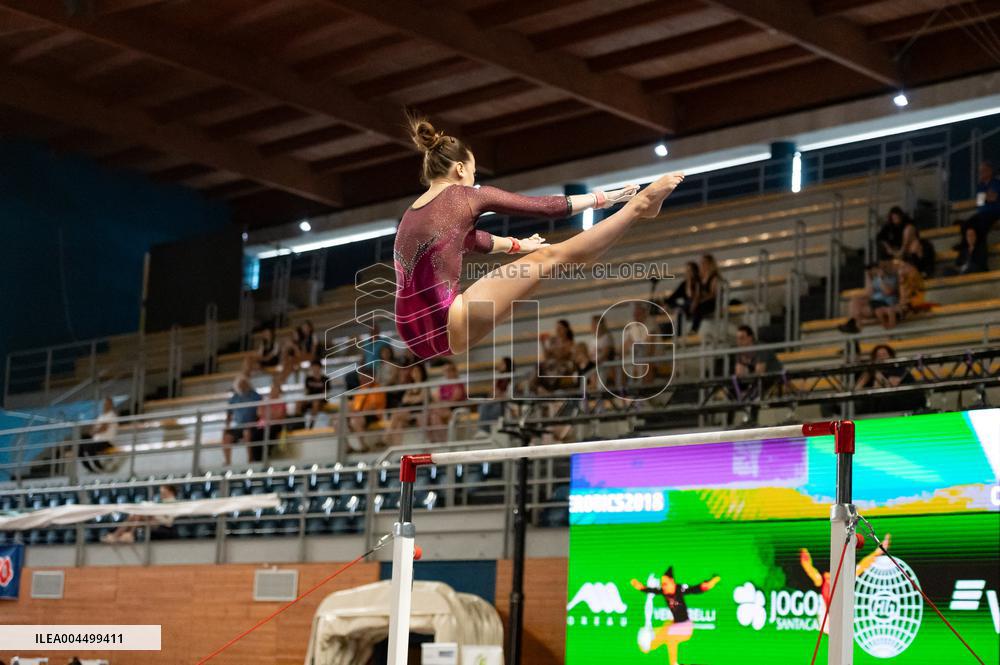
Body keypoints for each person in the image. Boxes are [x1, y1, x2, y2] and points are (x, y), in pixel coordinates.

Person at [393, 113, 683, 361]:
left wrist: (519, 246)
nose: (473, 179)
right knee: (552, 256)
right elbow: (543, 207)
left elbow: (471, 241)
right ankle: (639, 207)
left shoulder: (411, 215)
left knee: (536, 270)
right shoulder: (465, 195)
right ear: (459, 169)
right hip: (448, 321)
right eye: (472, 171)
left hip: (410, 333)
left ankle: (639, 209)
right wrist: (602, 198)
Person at [801, 534, 891, 633]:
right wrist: (804, 555)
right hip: (828, 623)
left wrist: (877, 553)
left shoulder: (843, 578)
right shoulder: (822, 580)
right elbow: (809, 568)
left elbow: (862, 565)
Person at [630, 567, 721, 665]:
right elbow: (652, 590)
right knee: (666, 632)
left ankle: (669, 659)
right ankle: (652, 647)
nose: (663, 587)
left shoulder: (679, 589)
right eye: (662, 584)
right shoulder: (664, 591)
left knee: (668, 635)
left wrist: (710, 583)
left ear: (672, 582)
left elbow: (696, 589)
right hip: (674, 625)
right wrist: (641, 587)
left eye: (665, 584)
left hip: (685, 627)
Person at [837, 257, 899, 333]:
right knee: (855, 300)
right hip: (875, 302)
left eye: (873, 268)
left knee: (861, 310)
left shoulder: (891, 277)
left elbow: (887, 292)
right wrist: (868, 276)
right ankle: (853, 325)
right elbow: (869, 293)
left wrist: (881, 278)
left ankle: (856, 326)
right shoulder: (875, 279)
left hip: (885, 303)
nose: (872, 271)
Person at [101, 484, 178, 544]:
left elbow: (169, 522)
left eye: (163, 491)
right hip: (156, 521)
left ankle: (121, 535)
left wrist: (155, 514)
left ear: (170, 491)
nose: (161, 493)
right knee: (135, 515)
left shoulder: (173, 503)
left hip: (164, 525)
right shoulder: (162, 502)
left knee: (138, 514)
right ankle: (122, 535)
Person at [222, 375, 262, 465]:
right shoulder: (234, 398)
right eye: (240, 384)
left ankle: (250, 459)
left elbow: (260, 411)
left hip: (252, 425)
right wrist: (227, 426)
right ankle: (228, 461)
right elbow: (229, 414)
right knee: (226, 437)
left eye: (244, 384)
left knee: (246, 433)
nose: (242, 386)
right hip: (239, 426)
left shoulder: (255, 396)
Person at [960, 160, 1000, 245]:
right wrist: (987, 196)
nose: (981, 173)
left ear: (990, 171)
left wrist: (985, 197)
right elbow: (980, 202)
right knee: (965, 225)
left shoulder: (996, 183)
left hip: (993, 212)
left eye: (983, 170)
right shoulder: (980, 186)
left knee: (981, 226)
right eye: (980, 171)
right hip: (982, 213)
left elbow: (993, 198)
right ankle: (964, 244)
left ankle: (980, 247)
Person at [388, 364, 429, 445]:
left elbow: (421, 399)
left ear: (422, 372)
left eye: (417, 371)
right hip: (408, 413)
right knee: (399, 424)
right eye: (413, 371)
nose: (415, 373)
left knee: (396, 414)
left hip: (417, 412)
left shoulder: (425, 385)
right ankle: (398, 448)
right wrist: (413, 399)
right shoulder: (411, 386)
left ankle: (387, 437)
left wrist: (411, 399)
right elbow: (404, 400)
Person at [429, 359, 467, 442]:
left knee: (435, 413)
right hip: (443, 409)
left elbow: (454, 401)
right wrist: (441, 404)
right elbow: (435, 397)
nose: (447, 373)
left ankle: (444, 441)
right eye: (445, 371)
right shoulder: (443, 385)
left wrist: (441, 403)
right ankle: (442, 440)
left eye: (449, 371)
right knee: (434, 416)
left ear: (454, 371)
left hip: (455, 410)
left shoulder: (458, 384)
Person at [79, 397, 118, 473]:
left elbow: (104, 428)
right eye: (104, 404)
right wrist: (95, 430)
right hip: (96, 440)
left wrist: (95, 430)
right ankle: (90, 469)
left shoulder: (112, 415)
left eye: (107, 404)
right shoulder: (101, 416)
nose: (105, 405)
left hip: (106, 441)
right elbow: (93, 428)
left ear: (111, 405)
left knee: (90, 447)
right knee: (79, 448)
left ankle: (99, 467)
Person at [661, 261, 700, 335]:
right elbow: (673, 296)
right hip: (686, 306)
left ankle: (680, 333)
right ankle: (669, 332)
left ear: (694, 272)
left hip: (695, 306)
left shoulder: (698, 282)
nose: (687, 273)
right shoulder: (684, 284)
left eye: (689, 271)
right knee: (674, 306)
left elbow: (696, 297)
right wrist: (665, 303)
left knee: (681, 311)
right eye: (686, 271)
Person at [477, 357, 512, 435]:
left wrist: (499, 396)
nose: (499, 365)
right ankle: (483, 430)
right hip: (495, 400)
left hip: (504, 403)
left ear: (507, 365)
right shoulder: (498, 377)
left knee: (497, 407)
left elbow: (508, 395)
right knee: (483, 405)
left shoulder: (511, 379)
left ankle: (493, 431)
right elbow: (491, 393)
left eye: (502, 364)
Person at [257, 379, 287, 459]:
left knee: (270, 433)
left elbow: (279, 415)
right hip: (263, 425)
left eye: (275, 390)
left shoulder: (281, 402)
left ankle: (265, 455)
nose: (273, 392)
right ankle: (256, 458)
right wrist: (271, 414)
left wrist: (267, 414)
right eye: (272, 390)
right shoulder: (265, 401)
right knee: (256, 435)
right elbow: (259, 413)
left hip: (275, 425)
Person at [692, 253, 720, 332]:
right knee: (685, 307)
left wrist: (700, 301)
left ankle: (694, 329)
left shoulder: (714, 277)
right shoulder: (699, 279)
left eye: (704, 263)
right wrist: (695, 302)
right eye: (701, 263)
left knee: (699, 307)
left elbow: (713, 294)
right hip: (702, 302)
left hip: (712, 302)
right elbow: (697, 295)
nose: (702, 265)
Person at [300, 361, 327, 429]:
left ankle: (311, 425)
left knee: (315, 403)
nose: (315, 369)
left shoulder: (325, 379)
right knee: (299, 403)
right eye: (313, 367)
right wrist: (304, 400)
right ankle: (299, 424)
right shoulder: (308, 379)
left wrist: (318, 398)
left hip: (321, 400)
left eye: (316, 367)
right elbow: (306, 392)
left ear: (320, 368)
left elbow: (326, 393)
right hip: (310, 399)